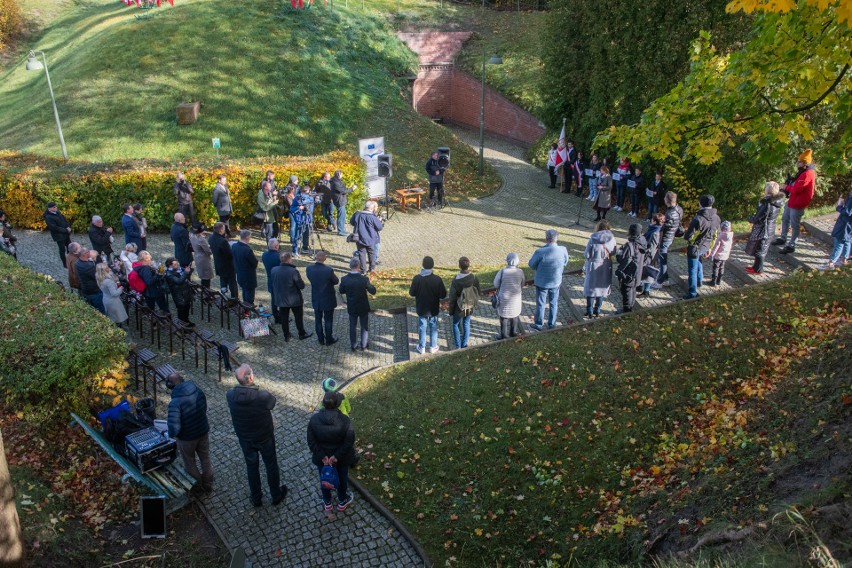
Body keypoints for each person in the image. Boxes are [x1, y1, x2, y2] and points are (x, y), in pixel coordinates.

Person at [227, 364, 287, 507]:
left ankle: (256, 498)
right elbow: (272, 403)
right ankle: (276, 495)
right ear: (251, 377)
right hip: (264, 437)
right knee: (271, 464)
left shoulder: (230, 394)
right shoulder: (262, 395)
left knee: (251, 467)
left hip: (245, 438)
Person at [307, 391, 356, 512]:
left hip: (322, 459)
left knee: (324, 478)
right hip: (341, 458)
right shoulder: (345, 420)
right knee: (342, 478)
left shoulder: (314, 420)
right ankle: (342, 500)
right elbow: (349, 441)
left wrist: (323, 456)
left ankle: (327, 501)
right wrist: (336, 456)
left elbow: (311, 441)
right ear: (338, 404)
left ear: (323, 404)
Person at [167, 373, 213, 494]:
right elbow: (204, 408)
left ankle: (198, 487)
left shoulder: (175, 402)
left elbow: (174, 427)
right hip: (203, 431)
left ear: (170, 386)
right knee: (205, 458)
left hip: (187, 438)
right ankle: (208, 484)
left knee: (190, 463)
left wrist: (171, 435)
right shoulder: (197, 390)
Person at [774, 149, 817, 254]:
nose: (797, 163)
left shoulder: (807, 174)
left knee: (794, 224)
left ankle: (792, 244)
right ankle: (783, 238)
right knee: (785, 218)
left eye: (799, 161)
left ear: (805, 163)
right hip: (793, 200)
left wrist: (786, 187)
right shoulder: (802, 172)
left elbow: (797, 189)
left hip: (798, 202)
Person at [529, 229, 570, 330]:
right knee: (554, 303)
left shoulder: (540, 251)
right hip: (556, 281)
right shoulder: (563, 249)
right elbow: (565, 262)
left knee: (541, 303)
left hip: (542, 282)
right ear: (557, 238)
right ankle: (552, 323)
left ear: (546, 239)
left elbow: (531, 265)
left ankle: (539, 324)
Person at [683, 195, 721, 299]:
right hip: (706, 245)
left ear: (700, 204)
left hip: (695, 247)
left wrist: (685, 234)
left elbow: (688, 236)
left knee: (692, 270)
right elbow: (715, 234)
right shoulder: (717, 218)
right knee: (699, 262)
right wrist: (710, 248)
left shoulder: (698, 218)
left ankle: (692, 292)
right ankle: (699, 282)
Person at [744, 182, 785, 275]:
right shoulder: (776, 202)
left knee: (760, 250)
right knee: (760, 248)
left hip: (764, 229)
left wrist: (750, 218)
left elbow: (759, 217)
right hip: (769, 227)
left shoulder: (767, 203)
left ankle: (758, 269)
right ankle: (756, 267)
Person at [270, 251, 312, 341]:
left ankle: (286, 335)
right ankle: (301, 333)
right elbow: (301, 286)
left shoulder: (274, 270)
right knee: (298, 317)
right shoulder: (293, 271)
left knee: (284, 318)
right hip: (294, 300)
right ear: (289, 260)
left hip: (281, 299)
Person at [409, 256, 447, 354]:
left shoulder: (417, 279)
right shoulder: (437, 279)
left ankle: (422, 347)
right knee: (433, 325)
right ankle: (433, 346)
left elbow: (412, 293)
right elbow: (443, 294)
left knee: (422, 326)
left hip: (421, 306)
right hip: (433, 307)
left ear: (423, 265)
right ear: (432, 265)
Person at [338, 257, 376, 351]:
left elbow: (341, 290)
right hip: (363, 306)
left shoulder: (344, 279)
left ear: (350, 266)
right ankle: (363, 345)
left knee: (352, 326)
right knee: (364, 326)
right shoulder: (364, 279)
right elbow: (373, 291)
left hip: (352, 306)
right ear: (359, 266)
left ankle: (353, 345)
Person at [582, 220, 616, 318]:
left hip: (593, 264)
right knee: (601, 288)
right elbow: (613, 252)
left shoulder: (593, 238)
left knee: (591, 288)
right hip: (606, 265)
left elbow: (587, 254)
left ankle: (589, 311)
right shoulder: (612, 238)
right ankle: (597, 310)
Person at [306, 250, 339, 346]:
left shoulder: (309, 268)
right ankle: (329, 339)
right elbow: (336, 281)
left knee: (318, 319)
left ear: (316, 257)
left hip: (316, 298)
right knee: (328, 320)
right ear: (325, 258)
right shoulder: (328, 270)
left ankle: (320, 339)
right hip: (328, 298)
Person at [447, 256, 480, 349]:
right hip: (470, 305)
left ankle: (458, 346)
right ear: (469, 265)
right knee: (466, 323)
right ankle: (464, 343)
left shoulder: (456, 280)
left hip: (459, 307)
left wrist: (451, 311)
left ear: (459, 266)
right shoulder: (474, 277)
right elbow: (478, 291)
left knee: (455, 324)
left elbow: (452, 297)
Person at [653, 191, 683, 288]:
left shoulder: (670, 214)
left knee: (662, 260)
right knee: (662, 259)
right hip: (671, 236)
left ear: (667, 200)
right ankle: (665, 279)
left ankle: (660, 281)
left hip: (666, 238)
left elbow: (665, 227)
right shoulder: (679, 209)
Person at [616, 223, 646, 313]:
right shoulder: (643, 240)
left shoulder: (631, 245)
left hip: (630, 271)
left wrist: (619, 252)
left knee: (627, 290)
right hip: (638, 270)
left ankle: (627, 310)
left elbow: (623, 259)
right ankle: (630, 306)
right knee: (633, 289)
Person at [493, 253, 524, 339]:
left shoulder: (502, 272)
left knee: (503, 317)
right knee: (515, 316)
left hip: (504, 298)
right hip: (516, 298)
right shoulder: (520, 272)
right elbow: (522, 283)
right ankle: (513, 333)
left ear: (507, 261)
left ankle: (503, 335)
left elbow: (496, 284)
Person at [819, 191, 852, 270]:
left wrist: (839, 207)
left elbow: (848, 212)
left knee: (839, 242)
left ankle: (831, 263)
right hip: (849, 224)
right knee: (847, 241)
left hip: (845, 224)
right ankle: (844, 259)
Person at [350, 201, 383, 274]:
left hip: (359, 238)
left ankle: (363, 270)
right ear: (372, 208)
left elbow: (352, 222)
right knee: (371, 253)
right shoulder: (372, 217)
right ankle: (372, 269)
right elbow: (379, 227)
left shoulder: (357, 214)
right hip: (371, 238)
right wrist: (379, 220)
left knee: (361, 254)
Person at [208, 222, 238, 300]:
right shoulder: (223, 241)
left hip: (218, 263)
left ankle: (223, 294)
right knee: (232, 283)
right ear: (221, 230)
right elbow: (229, 254)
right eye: (224, 229)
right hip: (227, 265)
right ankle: (234, 298)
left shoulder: (211, 237)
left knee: (223, 280)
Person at [640, 213, 664, 296]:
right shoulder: (654, 229)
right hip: (651, 254)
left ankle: (646, 290)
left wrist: (646, 254)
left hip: (651, 256)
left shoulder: (655, 232)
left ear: (654, 221)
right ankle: (643, 288)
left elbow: (652, 247)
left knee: (649, 271)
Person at [96, 262, 128, 327]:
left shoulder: (99, 278)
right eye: (107, 268)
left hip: (106, 298)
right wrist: (121, 287)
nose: (109, 268)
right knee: (117, 318)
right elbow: (114, 293)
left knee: (112, 316)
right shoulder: (108, 281)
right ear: (104, 270)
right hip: (113, 301)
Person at [165, 257, 194, 324]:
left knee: (187, 308)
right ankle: (182, 326)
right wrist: (186, 273)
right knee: (181, 310)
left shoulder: (179, 269)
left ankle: (186, 321)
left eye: (177, 263)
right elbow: (179, 281)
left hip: (185, 293)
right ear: (170, 265)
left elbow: (187, 275)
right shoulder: (169, 274)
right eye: (175, 264)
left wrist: (189, 270)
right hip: (178, 295)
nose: (177, 265)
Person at [232, 230, 258, 305]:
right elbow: (254, 263)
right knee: (249, 295)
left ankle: (244, 307)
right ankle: (248, 309)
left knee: (244, 291)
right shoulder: (247, 250)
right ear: (247, 237)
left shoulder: (234, 246)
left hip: (240, 273)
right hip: (248, 275)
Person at [77, 249, 106, 314]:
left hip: (86, 289)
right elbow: (97, 276)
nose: (89, 253)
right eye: (88, 252)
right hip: (94, 291)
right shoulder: (88, 266)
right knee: (100, 307)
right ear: (84, 255)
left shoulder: (78, 262)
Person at [289, 183, 314, 257]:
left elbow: (312, 206)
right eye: (306, 192)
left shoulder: (310, 198)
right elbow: (292, 209)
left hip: (307, 219)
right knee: (297, 236)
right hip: (300, 219)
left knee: (306, 234)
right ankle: (294, 251)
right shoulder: (297, 198)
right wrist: (299, 208)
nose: (308, 194)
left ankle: (305, 248)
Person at [261, 239, 281, 323]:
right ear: (276, 246)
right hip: (279, 281)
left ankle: (276, 315)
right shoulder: (279, 257)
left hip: (270, 279)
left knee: (274, 299)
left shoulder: (264, 255)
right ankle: (279, 317)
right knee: (280, 300)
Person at [708, 221, 733, 286]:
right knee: (722, 267)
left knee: (716, 268)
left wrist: (712, 254)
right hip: (725, 256)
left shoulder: (720, 237)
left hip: (718, 256)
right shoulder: (730, 237)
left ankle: (713, 281)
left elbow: (716, 247)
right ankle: (719, 280)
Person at [189, 224, 213, 288]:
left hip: (197, 257)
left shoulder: (191, 236)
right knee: (206, 278)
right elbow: (208, 251)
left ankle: (204, 292)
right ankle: (207, 294)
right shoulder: (201, 240)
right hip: (204, 259)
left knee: (202, 276)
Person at [330, 170, 353, 236]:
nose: (342, 175)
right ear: (338, 175)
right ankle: (340, 231)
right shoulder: (335, 182)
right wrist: (352, 189)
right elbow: (343, 191)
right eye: (341, 174)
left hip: (341, 200)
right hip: (339, 201)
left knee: (343, 216)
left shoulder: (337, 181)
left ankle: (342, 229)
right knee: (341, 216)